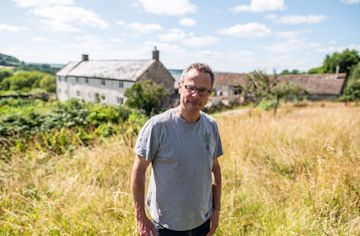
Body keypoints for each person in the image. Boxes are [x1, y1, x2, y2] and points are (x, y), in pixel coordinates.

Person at [131, 63, 223, 236]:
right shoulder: (157, 126)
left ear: (209, 94)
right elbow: (139, 170)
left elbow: (215, 168)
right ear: (180, 87)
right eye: (190, 88)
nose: (196, 95)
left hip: (202, 223)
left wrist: (216, 209)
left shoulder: (211, 126)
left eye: (203, 90)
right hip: (165, 227)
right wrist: (140, 217)